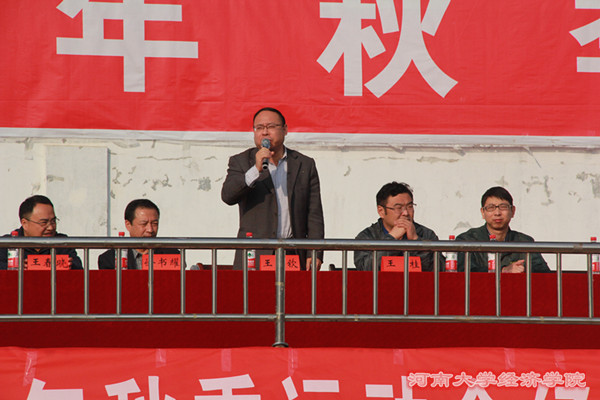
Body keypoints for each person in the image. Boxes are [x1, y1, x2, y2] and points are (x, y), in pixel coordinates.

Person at [221, 107, 325, 270]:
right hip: (255, 255)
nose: (265, 132)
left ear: (285, 130)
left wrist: (315, 252)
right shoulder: (241, 161)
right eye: (259, 128)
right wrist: (255, 170)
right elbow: (228, 196)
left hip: (293, 252)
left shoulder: (304, 164)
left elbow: (314, 213)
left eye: (271, 126)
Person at [456, 186, 550, 273]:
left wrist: (523, 271)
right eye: (491, 208)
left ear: (513, 211)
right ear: (483, 212)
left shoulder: (525, 242)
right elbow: (462, 272)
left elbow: (545, 275)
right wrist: (503, 271)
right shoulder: (467, 240)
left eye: (503, 207)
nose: (497, 213)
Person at [354, 182, 445, 271]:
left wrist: (416, 241)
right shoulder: (367, 237)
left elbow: (441, 269)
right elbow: (365, 269)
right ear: (381, 211)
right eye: (398, 208)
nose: (405, 213)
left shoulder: (426, 234)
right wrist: (391, 239)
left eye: (410, 206)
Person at [0, 195, 82, 269]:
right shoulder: (7, 244)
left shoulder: (62, 243)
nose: (50, 227)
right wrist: (14, 268)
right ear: (24, 223)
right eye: (44, 222)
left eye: (53, 221)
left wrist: (70, 265)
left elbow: (79, 270)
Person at [98, 199, 181, 269]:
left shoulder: (172, 255)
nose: (150, 229)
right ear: (128, 225)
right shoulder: (110, 259)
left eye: (154, 224)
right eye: (143, 224)